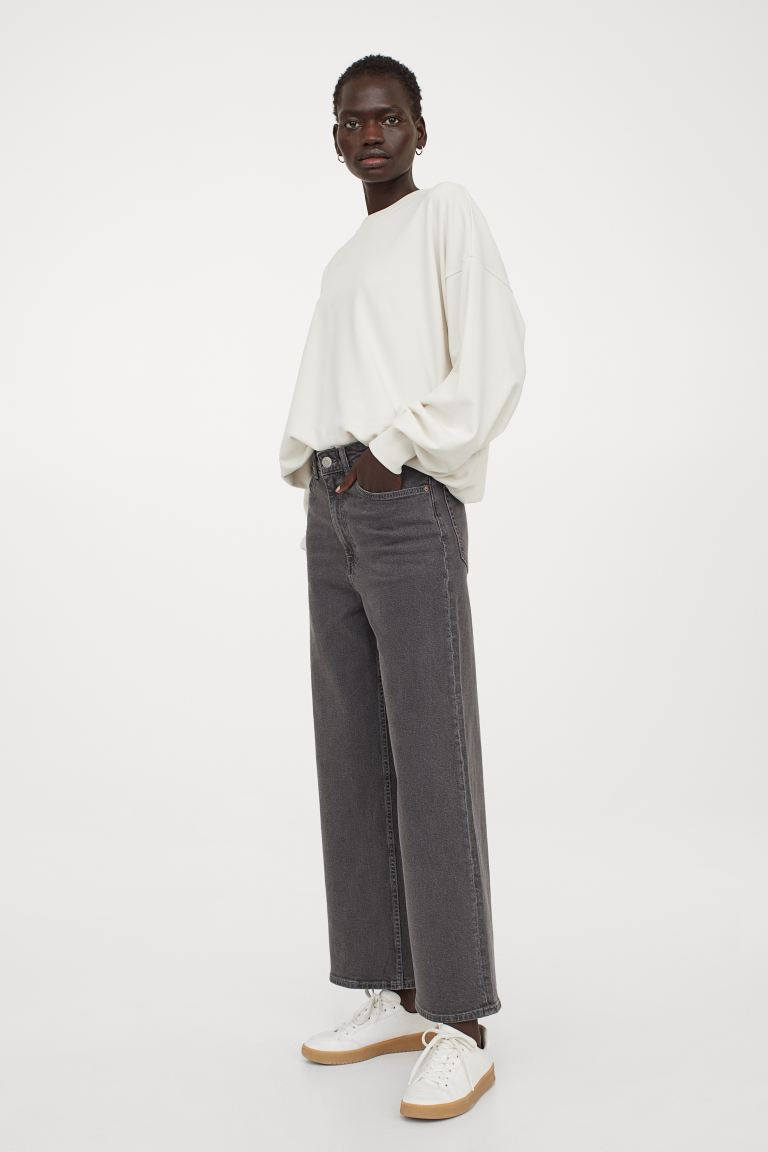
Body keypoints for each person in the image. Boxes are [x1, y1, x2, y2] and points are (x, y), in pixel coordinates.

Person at [278, 53, 526, 1121]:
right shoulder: (345, 257)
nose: (368, 134)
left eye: (386, 117)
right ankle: (392, 991)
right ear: (335, 139)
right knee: (353, 751)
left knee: (431, 750)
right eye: (350, 121)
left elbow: (495, 359)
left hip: (405, 498)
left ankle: (460, 1020)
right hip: (334, 507)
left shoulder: (446, 216)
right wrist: (319, 471)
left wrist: (391, 455)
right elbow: (337, 372)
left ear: (419, 127)